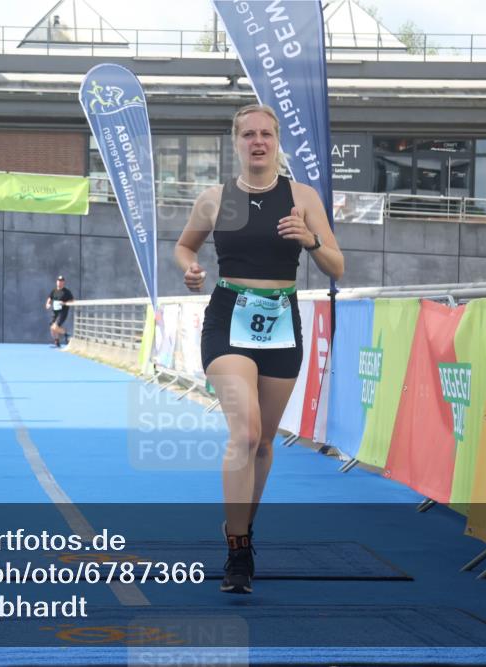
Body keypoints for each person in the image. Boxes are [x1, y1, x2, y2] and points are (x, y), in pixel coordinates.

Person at [174, 104, 344, 594]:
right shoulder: (215, 199)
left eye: (266, 133)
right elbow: (185, 246)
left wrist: (311, 239)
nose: (258, 141)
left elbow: (337, 266)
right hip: (228, 317)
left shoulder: (301, 196)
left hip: (282, 321)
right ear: (236, 142)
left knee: (265, 442)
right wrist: (189, 270)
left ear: (276, 140)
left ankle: (241, 529)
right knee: (246, 432)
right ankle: (238, 549)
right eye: (248, 134)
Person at [45, 275, 74, 347]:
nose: (60, 282)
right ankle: (57, 342)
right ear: (56, 282)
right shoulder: (54, 291)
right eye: (58, 281)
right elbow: (49, 298)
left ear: (63, 282)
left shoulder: (66, 292)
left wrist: (64, 303)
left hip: (62, 312)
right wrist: (48, 304)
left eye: (61, 281)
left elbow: (72, 300)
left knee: (55, 327)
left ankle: (67, 335)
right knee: (52, 328)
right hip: (55, 312)